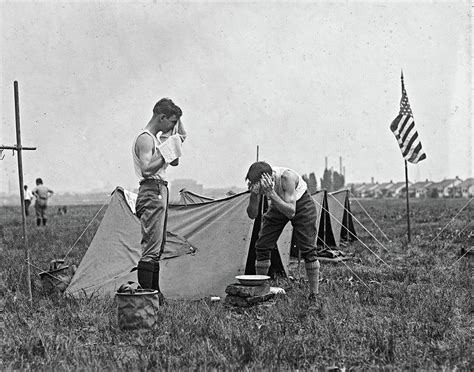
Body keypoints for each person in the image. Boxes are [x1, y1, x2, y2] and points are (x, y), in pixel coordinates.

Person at [132, 98, 186, 302]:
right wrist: (167, 150)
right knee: (151, 249)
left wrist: (172, 139)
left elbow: (176, 160)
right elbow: (146, 169)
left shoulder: (156, 139)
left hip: (159, 190)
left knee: (157, 248)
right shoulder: (145, 139)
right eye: (171, 122)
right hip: (151, 189)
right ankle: (148, 297)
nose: (172, 127)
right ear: (162, 117)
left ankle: (155, 294)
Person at [245, 161, 321, 300]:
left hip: (300, 204)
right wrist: (254, 195)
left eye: (260, 187)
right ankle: (260, 289)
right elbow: (252, 215)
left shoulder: (287, 177)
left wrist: (271, 193)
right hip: (278, 203)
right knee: (262, 246)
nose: (260, 190)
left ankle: (314, 295)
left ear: (269, 180)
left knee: (308, 249)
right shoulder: (258, 182)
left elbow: (291, 212)